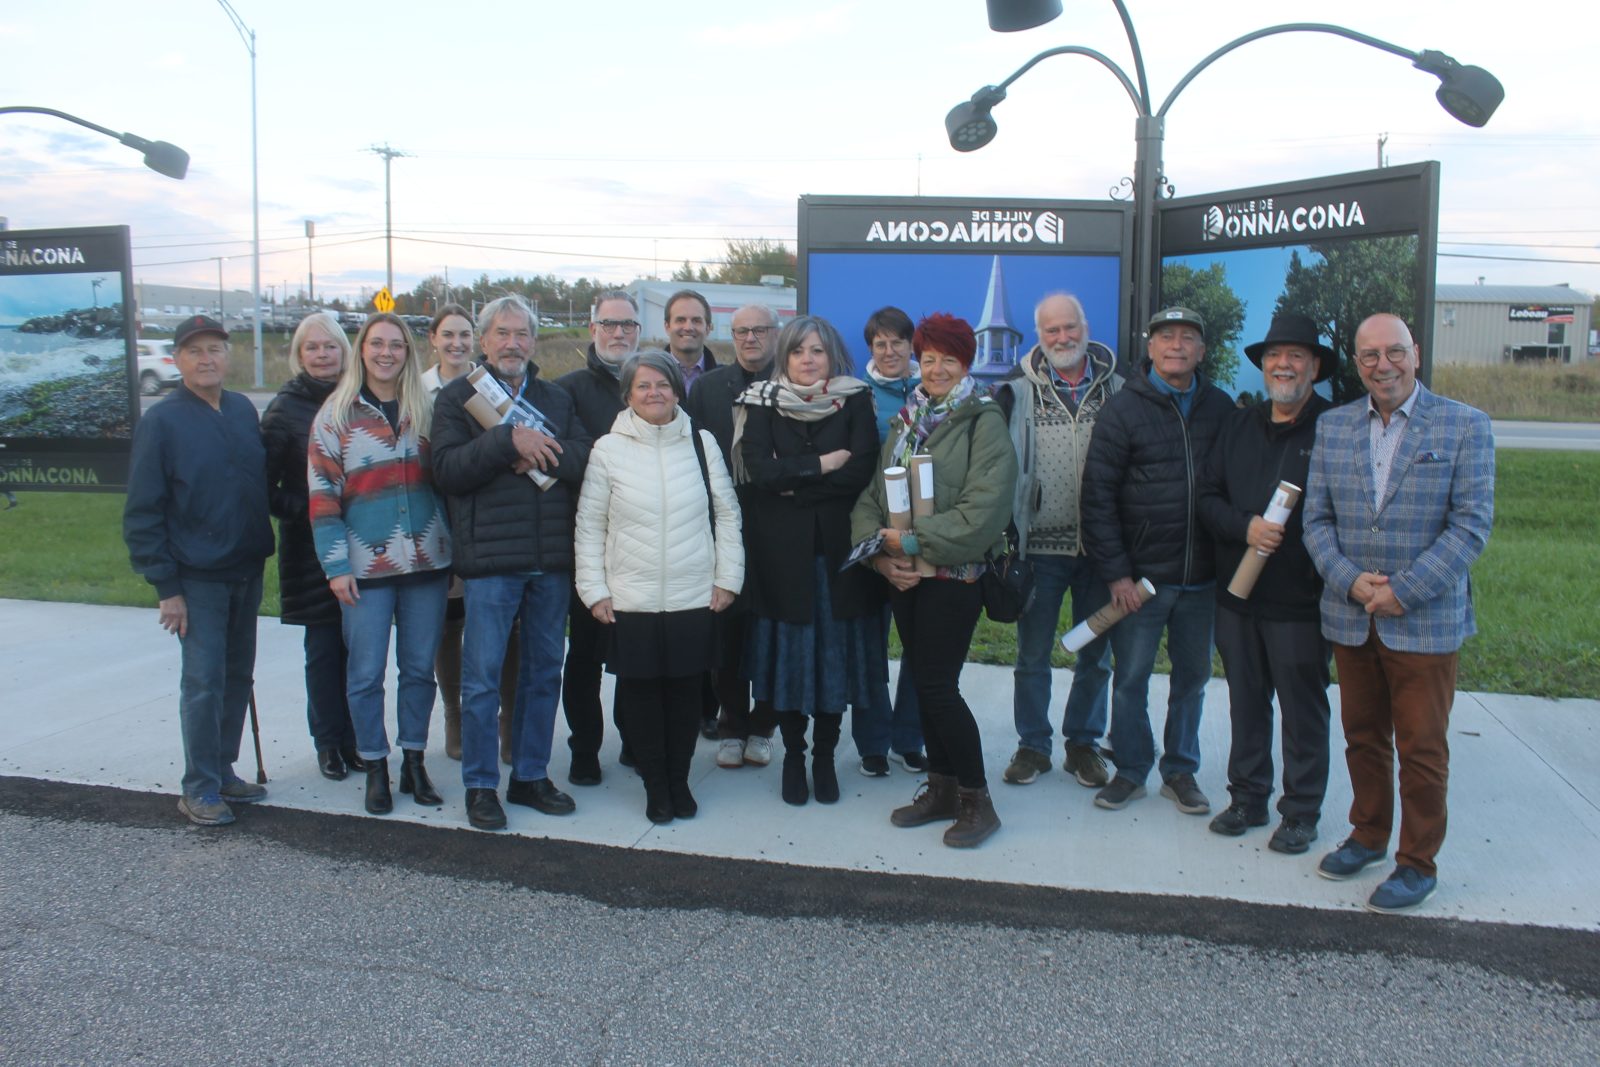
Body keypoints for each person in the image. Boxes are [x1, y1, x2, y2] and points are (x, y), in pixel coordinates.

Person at [1303, 313, 1494, 913]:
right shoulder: (1334, 428)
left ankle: (1417, 862)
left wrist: (1403, 590)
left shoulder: (1466, 425)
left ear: (1415, 353)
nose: (1382, 365)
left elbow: (1471, 527)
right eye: (1368, 356)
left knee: (1421, 747)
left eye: (1393, 352)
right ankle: (1367, 834)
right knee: (1362, 736)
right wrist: (1351, 581)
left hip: (1423, 620)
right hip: (1352, 614)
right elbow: (1316, 521)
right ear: (1355, 363)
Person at [851, 313, 1017, 848]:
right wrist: (880, 557)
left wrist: (914, 543)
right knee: (925, 684)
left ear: (965, 363)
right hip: (904, 575)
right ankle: (942, 789)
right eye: (929, 359)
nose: (937, 368)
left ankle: (976, 799)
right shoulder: (906, 417)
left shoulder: (983, 421)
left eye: (950, 359)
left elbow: (984, 511)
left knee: (939, 688)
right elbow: (873, 496)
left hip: (955, 574)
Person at [431, 295, 592, 830]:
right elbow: (449, 471)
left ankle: (529, 776)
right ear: (483, 340)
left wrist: (538, 448)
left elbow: (581, 458)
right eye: (502, 333)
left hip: (549, 559)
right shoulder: (458, 399)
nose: (512, 343)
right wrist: (506, 441)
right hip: (491, 562)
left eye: (522, 333)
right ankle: (481, 786)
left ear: (533, 340)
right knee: (481, 678)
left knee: (544, 673)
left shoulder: (556, 396)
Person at [575, 351, 743, 822]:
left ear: (677, 389)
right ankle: (655, 786)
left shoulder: (701, 442)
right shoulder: (608, 449)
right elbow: (590, 525)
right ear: (628, 394)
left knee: (687, 696)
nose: (654, 393)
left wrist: (727, 578)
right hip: (632, 597)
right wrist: (595, 590)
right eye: (643, 386)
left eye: (663, 384)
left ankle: (679, 780)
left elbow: (727, 514)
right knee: (644, 697)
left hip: (694, 593)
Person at [1080, 306, 1234, 814]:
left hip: (1202, 580)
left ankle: (1181, 771)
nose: (1176, 345)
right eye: (1165, 337)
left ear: (1201, 351)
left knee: (1192, 680)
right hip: (1141, 583)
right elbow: (1098, 497)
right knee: (1129, 679)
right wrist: (1118, 574)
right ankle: (1129, 769)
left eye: (1188, 337)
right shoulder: (1123, 409)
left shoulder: (1220, 408)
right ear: (1149, 349)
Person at [124, 315, 274, 826]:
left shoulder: (239, 410)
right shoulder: (162, 422)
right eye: (195, 352)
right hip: (197, 577)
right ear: (177, 360)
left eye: (215, 349)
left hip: (246, 568)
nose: (206, 359)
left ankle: (223, 768)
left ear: (227, 356)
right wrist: (166, 586)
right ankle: (199, 786)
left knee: (237, 676)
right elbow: (144, 511)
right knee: (204, 681)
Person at [1196, 311, 1335, 854]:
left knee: (1302, 709)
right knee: (1245, 701)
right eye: (1275, 356)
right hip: (1236, 594)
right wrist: (1245, 525)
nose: (1284, 364)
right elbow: (1207, 497)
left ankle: (1300, 813)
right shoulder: (1240, 424)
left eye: (1296, 355)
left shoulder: (1336, 426)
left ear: (1315, 366)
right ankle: (1248, 798)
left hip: (1299, 598)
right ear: (1262, 366)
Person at [308, 313, 452, 816]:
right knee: (365, 674)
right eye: (377, 344)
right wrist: (335, 566)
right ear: (361, 350)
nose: (386, 352)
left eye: (396, 344)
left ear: (408, 353)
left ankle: (414, 760)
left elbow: (449, 482)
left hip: (426, 564)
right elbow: (322, 496)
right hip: (365, 568)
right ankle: (375, 765)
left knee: (418, 670)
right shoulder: (336, 416)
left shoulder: (426, 410)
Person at [736, 315, 883, 807]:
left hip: (840, 557)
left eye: (817, 351)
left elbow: (862, 469)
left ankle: (824, 756)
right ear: (785, 356)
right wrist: (820, 466)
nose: (807, 360)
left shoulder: (855, 398)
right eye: (798, 351)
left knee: (832, 663)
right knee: (792, 665)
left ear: (831, 356)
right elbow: (759, 471)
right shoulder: (761, 402)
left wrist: (792, 483)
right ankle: (794, 756)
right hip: (781, 557)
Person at [995, 292, 1121, 790]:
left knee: (1095, 655)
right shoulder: (1015, 391)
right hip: (1039, 550)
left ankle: (1083, 746)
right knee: (1032, 656)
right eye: (1052, 331)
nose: (1063, 338)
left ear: (1085, 327)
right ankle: (1033, 746)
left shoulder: (1120, 389)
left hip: (1101, 552)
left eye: (1070, 327)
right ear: (1039, 336)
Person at [260, 312, 363, 781]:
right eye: (312, 348)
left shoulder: (360, 399)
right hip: (312, 553)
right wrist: (314, 509)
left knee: (360, 650)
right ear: (299, 355)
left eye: (330, 346)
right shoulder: (286, 409)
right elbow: (263, 488)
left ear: (344, 351)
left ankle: (357, 738)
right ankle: (328, 743)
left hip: (364, 546)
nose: (323, 355)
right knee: (323, 649)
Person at [683, 303, 780, 770]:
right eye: (741, 331)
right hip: (721, 525)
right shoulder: (707, 389)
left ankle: (764, 725)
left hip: (779, 526)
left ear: (775, 334)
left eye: (760, 330)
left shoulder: (794, 383)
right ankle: (732, 723)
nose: (750, 339)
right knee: (727, 629)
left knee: (771, 630)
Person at [422, 303, 517, 764]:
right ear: (434, 340)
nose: (456, 343)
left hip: (483, 522)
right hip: (437, 519)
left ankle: (506, 721)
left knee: (500, 626)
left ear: (475, 341)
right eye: (448, 335)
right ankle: (455, 716)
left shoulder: (490, 386)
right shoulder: (419, 390)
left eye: (464, 335)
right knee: (451, 624)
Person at [555, 289, 641, 781]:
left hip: (639, 547)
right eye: (609, 324)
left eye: (627, 325)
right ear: (593, 330)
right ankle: (585, 749)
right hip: (585, 545)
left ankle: (634, 739)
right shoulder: (566, 390)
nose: (618, 333)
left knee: (634, 654)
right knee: (584, 656)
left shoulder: (654, 384)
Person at [851, 306, 927, 779]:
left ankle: (909, 738)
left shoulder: (930, 393)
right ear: (870, 349)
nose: (890, 350)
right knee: (869, 647)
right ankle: (873, 742)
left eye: (897, 341)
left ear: (911, 344)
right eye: (880, 343)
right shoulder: (855, 396)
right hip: (870, 536)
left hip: (920, 539)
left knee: (920, 646)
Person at [663, 288, 718, 395]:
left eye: (696, 321)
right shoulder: (648, 379)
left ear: (708, 328)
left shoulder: (725, 382)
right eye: (680, 320)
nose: (688, 327)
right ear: (667, 327)